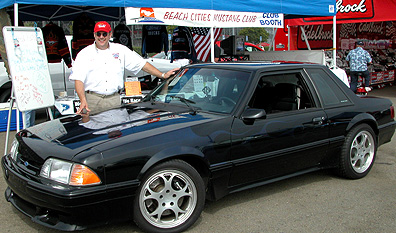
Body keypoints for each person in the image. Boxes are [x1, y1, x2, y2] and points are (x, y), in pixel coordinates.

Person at [69, 21, 179, 114]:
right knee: (94, 136)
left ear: (110, 34)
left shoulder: (120, 50)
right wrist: (83, 100)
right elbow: (78, 79)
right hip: (92, 100)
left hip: (114, 99)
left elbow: (141, 64)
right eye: (98, 34)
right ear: (94, 35)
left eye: (104, 34)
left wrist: (162, 75)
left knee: (115, 135)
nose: (101, 37)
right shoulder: (84, 54)